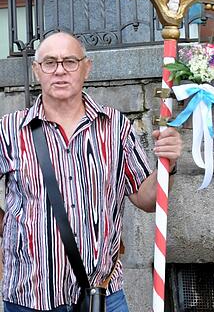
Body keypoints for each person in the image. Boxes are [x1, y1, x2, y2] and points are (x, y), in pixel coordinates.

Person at [0, 32, 182, 311]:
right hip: (30, 297)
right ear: (36, 71)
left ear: (87, 67)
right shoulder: (9, 130)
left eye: (70, 61)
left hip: (104, 296)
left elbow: (146, 200)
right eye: (49, 62)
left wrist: (166, 165)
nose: (60, 70)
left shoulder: (115, 126)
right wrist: (10, 229)